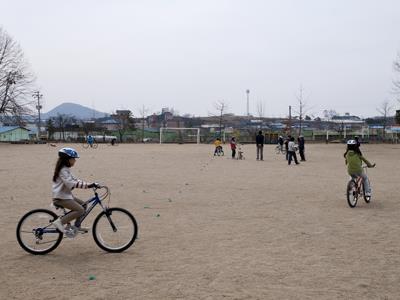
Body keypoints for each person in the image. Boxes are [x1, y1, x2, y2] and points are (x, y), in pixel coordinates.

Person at [51, 147, 99, 234]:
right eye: (73, 159)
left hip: (65, 196)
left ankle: (77, 226)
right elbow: (71, 183)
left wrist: (89, 184)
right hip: (61, 198)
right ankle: (59, 223)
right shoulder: (63, 170)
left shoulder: (66, 169)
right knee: (80, 210)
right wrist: (88, 186)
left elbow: (75, 180)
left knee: (84, 205)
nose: (75, 161)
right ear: (67, 159)